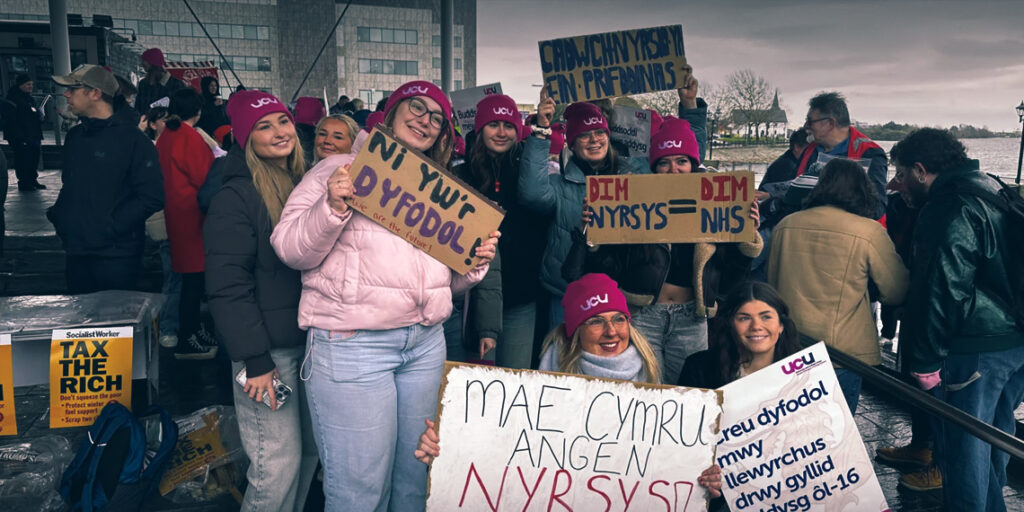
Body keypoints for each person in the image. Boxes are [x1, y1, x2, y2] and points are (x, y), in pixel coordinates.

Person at [270, 80, 499, 511]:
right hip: (354, 348)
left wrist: (474, 263)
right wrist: (332, 209)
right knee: (359, 492)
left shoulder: (442, 190)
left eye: (436, 118)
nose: (425, 120)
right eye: (415, 107)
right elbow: (289, 249)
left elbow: (442, 285)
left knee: (416, 480)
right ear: (391, 113)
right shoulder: (339, 168)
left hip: (426, 345)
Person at [415, 273, 724, 499]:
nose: (610, 331)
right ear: (575, 332)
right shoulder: (535, 393)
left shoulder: (656, 388)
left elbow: (668, 470)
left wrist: (702, 476)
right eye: (595, 321)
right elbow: (504, 456)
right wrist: (449, 448)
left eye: (618, 319)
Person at [563, 116, 762, 385]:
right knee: (645, 392)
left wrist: (746, 236)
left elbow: (732, 279)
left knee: (691, 392)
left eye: (682, 161)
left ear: (693, 164)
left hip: (692, 318)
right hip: (644, 315)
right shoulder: (634, 198)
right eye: (664, 163)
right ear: (654, 168)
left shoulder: (717, 201)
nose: (674, 170)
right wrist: (595, 230)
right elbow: (604, 269)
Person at [893, 128, 1024, 509]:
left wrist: (925, 359)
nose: (897, 183)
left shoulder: (948, 206)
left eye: (901, 174)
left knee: (963, 447)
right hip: (1014, 338)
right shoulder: (990, 184)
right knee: (995, 437)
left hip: (974, 346)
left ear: (920, 169)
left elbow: (942, 286)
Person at [204, 90, 317, 512]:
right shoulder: (235, 196)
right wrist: (255, 359)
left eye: (282, 121)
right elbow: (226, 285)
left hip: (309, 346)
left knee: (308, 454)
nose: (278, 132)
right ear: (244, 138)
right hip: (269, 356)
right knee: (276, 464)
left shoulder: (306, 183)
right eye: (262, 126)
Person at [520, 76, 707, 331]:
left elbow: (685, 162)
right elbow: (531, 194)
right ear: (572, 144)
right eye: (584, 135)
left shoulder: (635, 172)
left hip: (621, 292)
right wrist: (541, 129)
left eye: (599, 132)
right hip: (568, 289)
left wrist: (689, 106)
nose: (594, 140)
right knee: (565, 365)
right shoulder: (560, 182)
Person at [767, 158, 909, 414]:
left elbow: (772, 283)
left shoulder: (785, 225)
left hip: (790, 346)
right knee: (836, 435)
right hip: (842, 354)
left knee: (794, 432)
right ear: (862, 190)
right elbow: (896, 290)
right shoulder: (868, 231)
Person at [448, 94, 550, 368]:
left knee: (515, 379)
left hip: (522, 296)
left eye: (509, 125)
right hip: (474, 300)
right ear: (479, 129)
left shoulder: (528, 172)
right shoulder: (458, 174)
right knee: (476, 385)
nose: (502, 133)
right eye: (494, 124)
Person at [48, 65, 163, 293]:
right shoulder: (76, 137)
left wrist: (110, 226)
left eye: (73, 88)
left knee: (114, 325)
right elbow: (70, 186)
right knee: (80, 324)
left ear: (96, 93)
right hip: (77, 251)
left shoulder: (133, 140)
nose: (66, 94)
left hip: (116, 255)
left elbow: (153, 196)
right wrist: (60, 217)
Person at [156, 87, 216, 360]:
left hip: (175, 212)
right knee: (193, 280)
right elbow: (205, 179)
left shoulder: (167, 134)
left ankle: (191, 330)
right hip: (194, 214)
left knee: (187, 277)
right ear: (199, 111)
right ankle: (188, 336)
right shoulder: (190, 137)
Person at [789, 92, 887, 219]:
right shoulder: (809, 150)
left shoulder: (871, 153)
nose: (805, 126)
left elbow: (877, 208)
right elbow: (793, 188)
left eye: (810, 121)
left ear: (829, 123)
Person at [4, 74, 44, 191]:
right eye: (28, 84)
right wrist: (19, 137)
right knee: (23, 159)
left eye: (31, 84)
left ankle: (32, 180)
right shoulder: (12, 99)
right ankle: (24, 182)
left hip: (33, 134)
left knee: (33, 157)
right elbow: (11, 120)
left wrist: (39, 116)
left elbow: (32, 115)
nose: (30, 86)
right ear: (20, 85)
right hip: (21, 136)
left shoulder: (29, 98)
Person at [135, 48, 185, 116]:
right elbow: (138, 108)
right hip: (146, 124)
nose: (142, 63)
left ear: (152, 63)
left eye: (145, 61)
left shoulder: (176, 85)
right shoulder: (143, 84)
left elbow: (180, 109)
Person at [292, 97, 325, 161]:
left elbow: (295, 111)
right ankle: (307, 163)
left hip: (298, 125)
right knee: (308, 148)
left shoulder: (300, 101)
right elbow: (321, 116)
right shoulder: (318, 105)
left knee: (298, 144)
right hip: (311, 128)